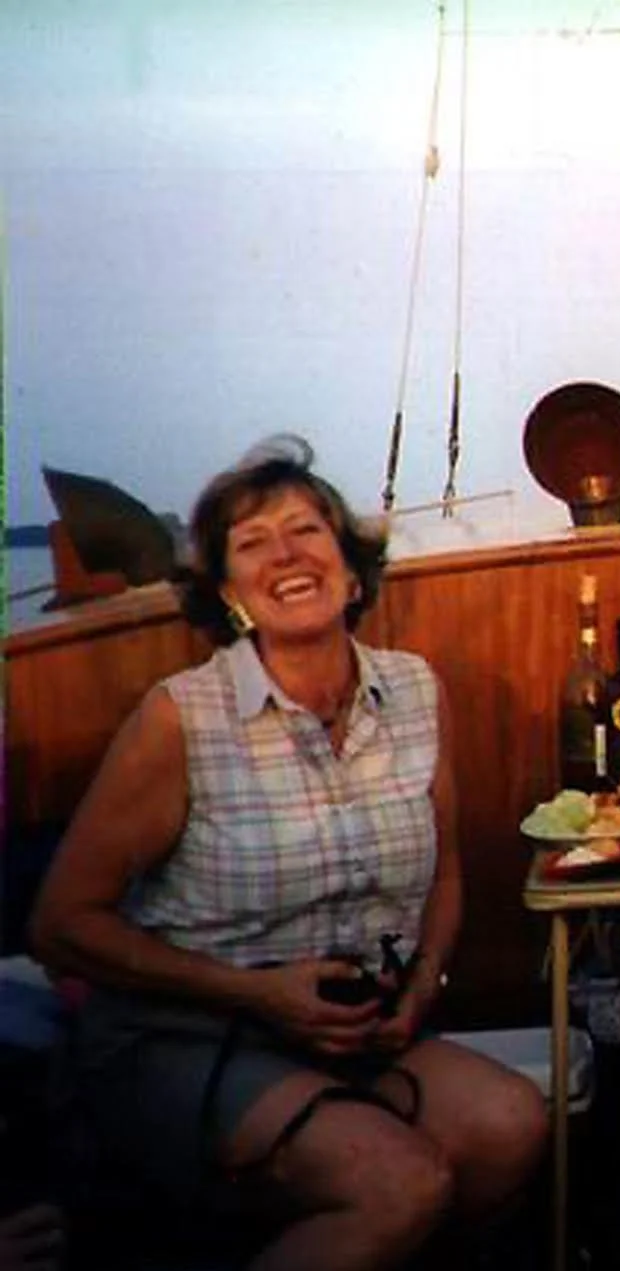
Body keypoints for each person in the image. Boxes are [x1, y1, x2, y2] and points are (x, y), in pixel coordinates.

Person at [29, 437, 546, 1269]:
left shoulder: (414, 690)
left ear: (349, 571)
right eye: (252, 542)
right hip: (188, 1034)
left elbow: (445, 872)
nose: (286, 554)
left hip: (351, 1032)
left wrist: (424, 984)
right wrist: (255, 993)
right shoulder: (182, 720)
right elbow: (59, 925)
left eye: (306, 530)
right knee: (397, 1184)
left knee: (511, 1124)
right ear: (230, 594)